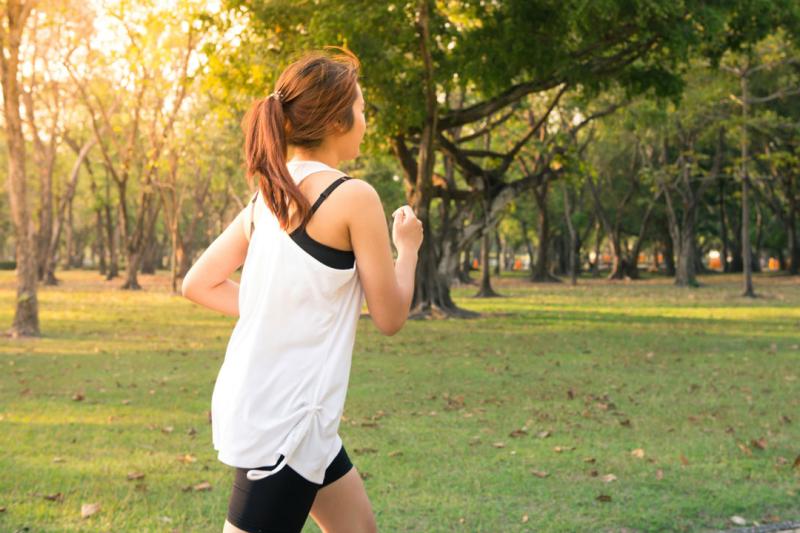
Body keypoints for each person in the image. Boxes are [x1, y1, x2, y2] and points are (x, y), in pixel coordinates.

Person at [181, 46, 423, 533]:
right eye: (360, 109)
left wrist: (274, 310)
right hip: (285, 424)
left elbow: (198, 283)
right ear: (336, 120)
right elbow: (391, 316)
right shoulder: (353, 196)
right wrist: (408, 247)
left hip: (295, 416)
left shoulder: (268, 195)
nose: (365, 121)